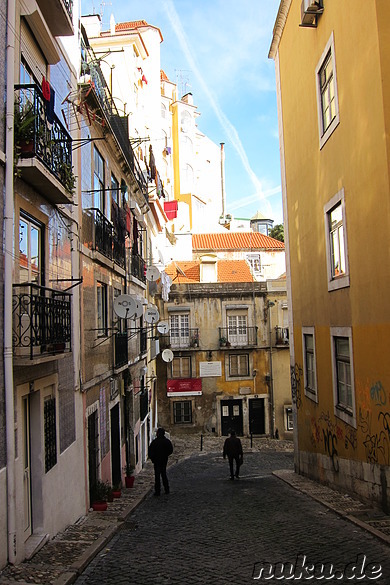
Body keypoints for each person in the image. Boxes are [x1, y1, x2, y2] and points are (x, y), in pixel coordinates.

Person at [148, 428, 173, 496]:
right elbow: (170, 450)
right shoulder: (167, 441)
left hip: (156, 461)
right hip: (164, 460)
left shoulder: (154, 442)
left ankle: (158, 491)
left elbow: (150, 452)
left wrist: (153, 459)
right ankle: (166, 489)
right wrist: (165, 455)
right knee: (164, 474)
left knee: (157, 476)